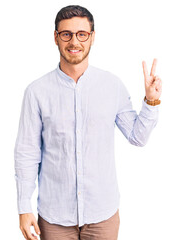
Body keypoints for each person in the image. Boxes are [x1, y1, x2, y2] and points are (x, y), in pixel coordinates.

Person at [14, 5, 162, 240]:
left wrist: (151, 102)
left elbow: (137, 137)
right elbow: (27, 153)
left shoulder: (111, 85)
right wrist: (24, 207)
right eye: (67, 34)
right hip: (55, 217)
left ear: (92, 37)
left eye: (82, 34)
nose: (75, 41)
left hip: (102, 214)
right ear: (56, 37)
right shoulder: (37, 92)